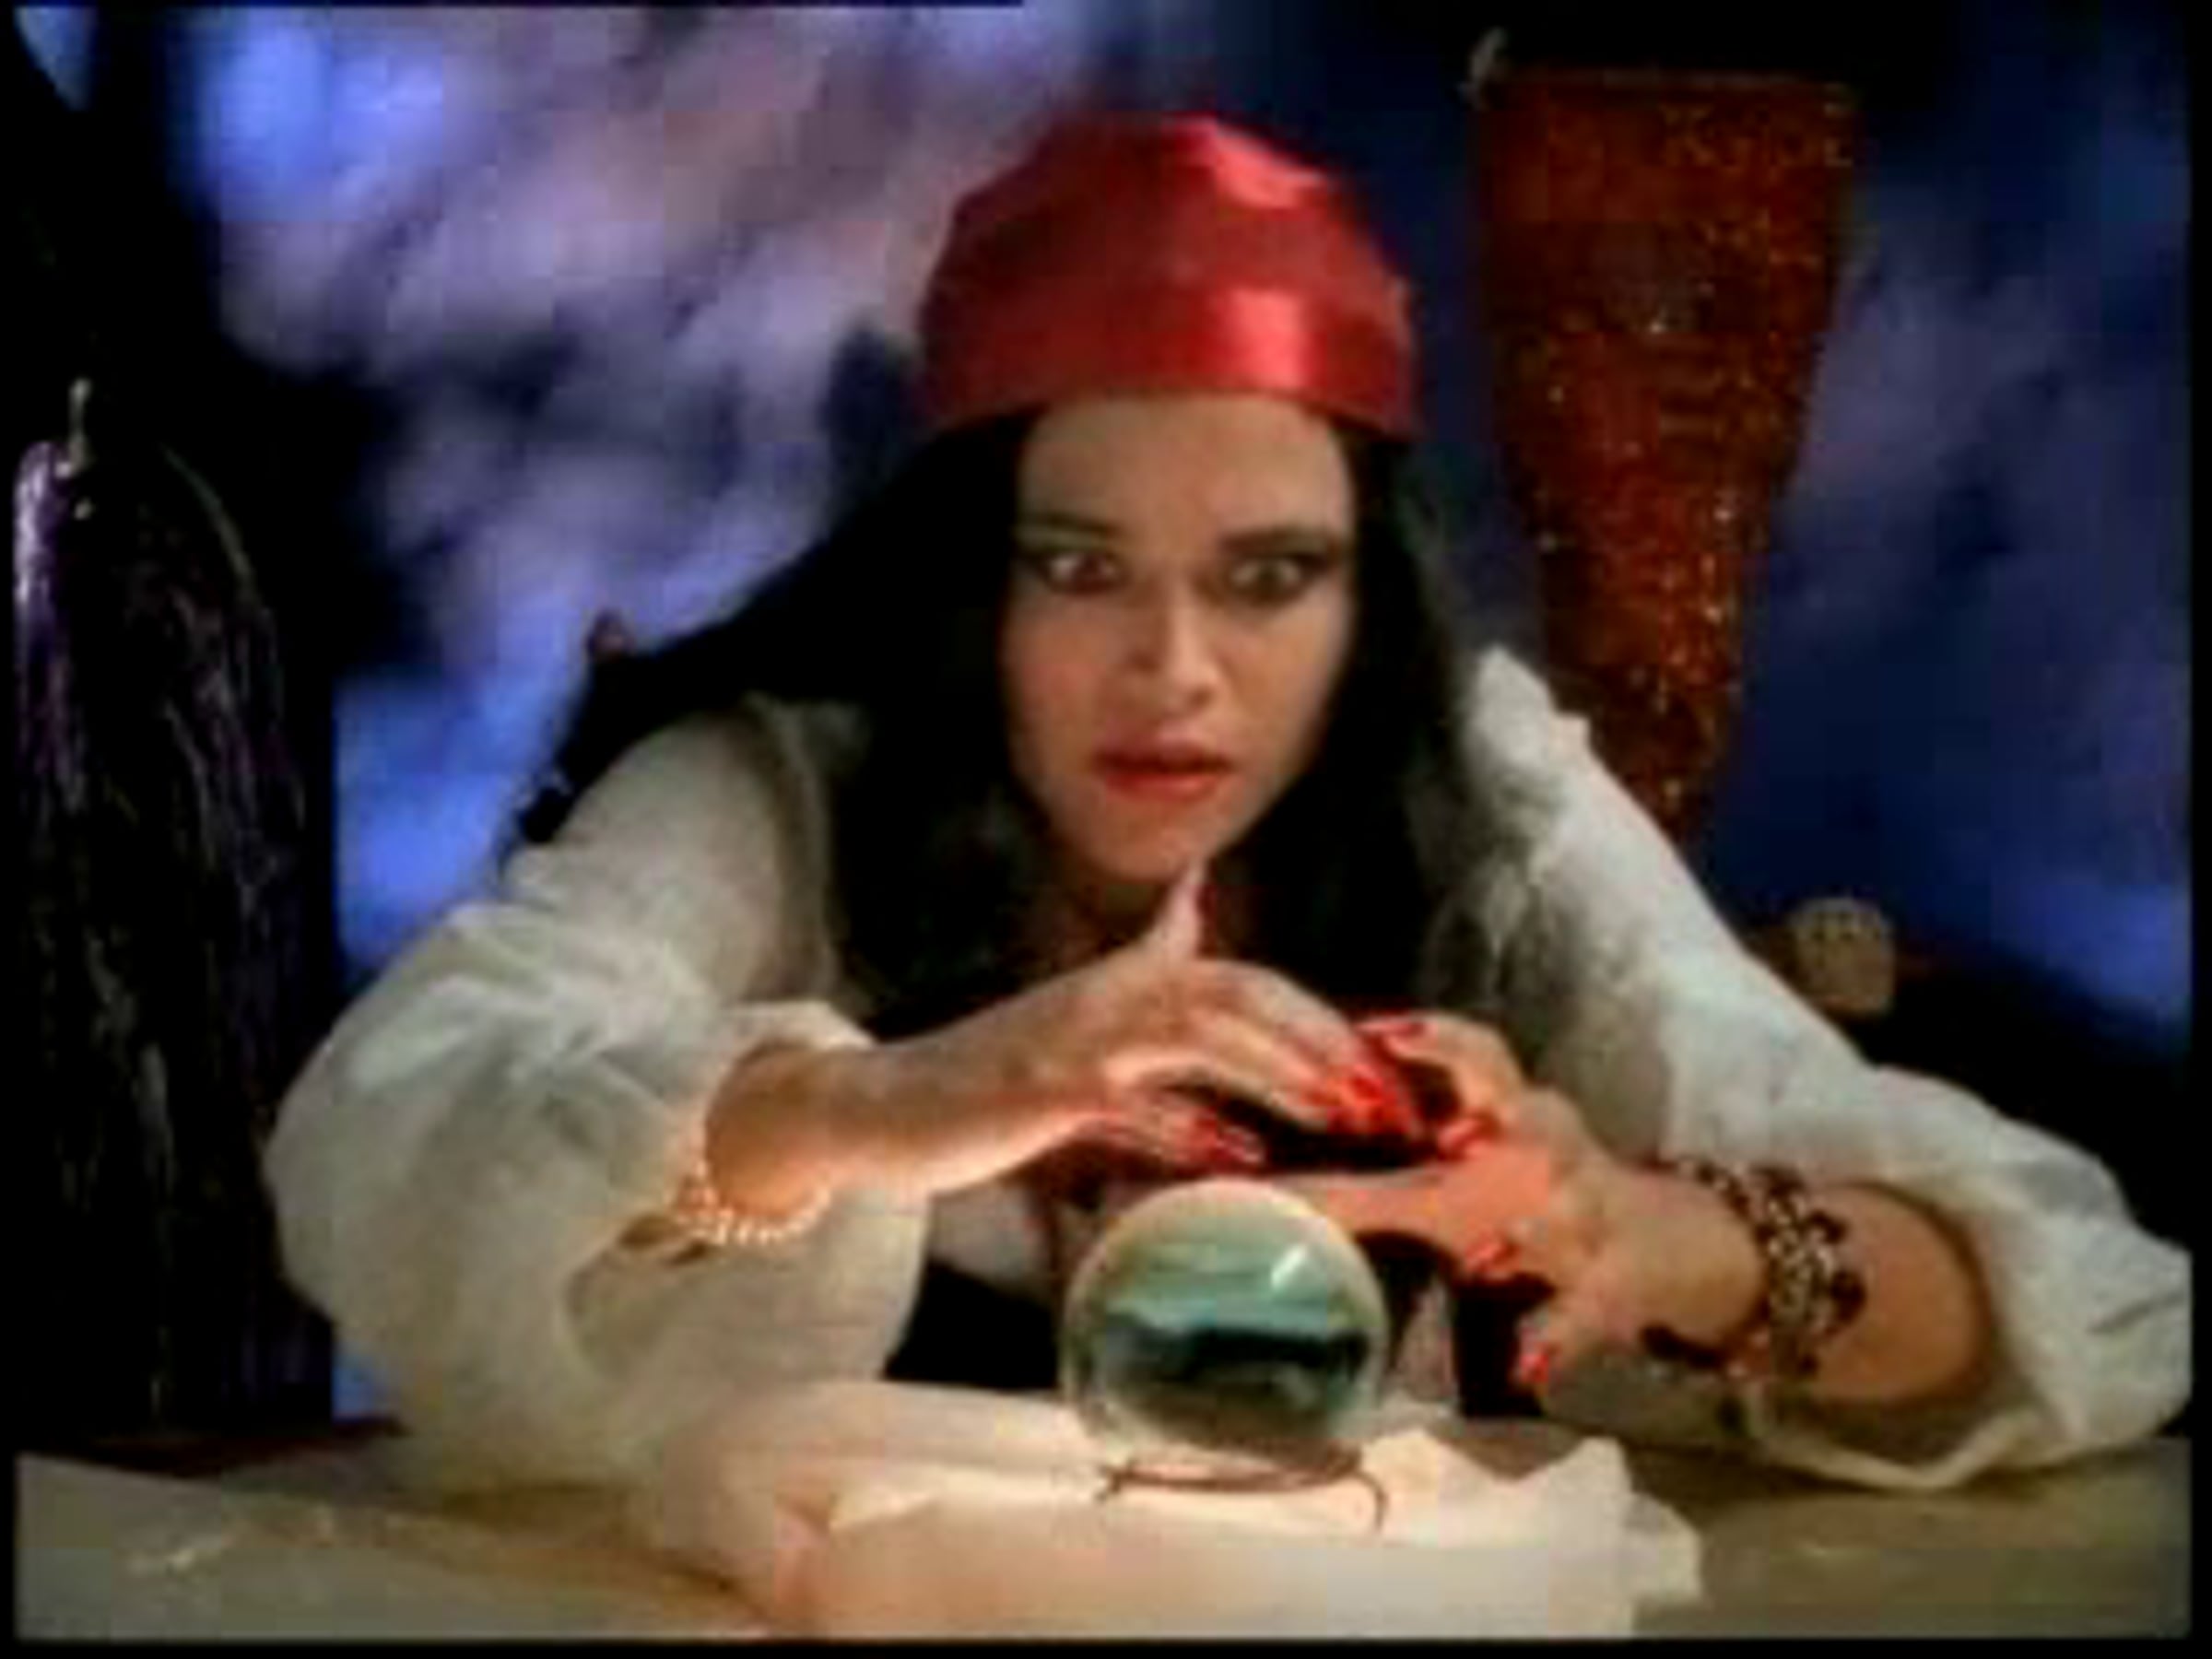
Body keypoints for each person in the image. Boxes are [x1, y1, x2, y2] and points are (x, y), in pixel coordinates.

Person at [265, 112, 2188, 1496]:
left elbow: (2094, 1302)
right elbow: (398, 1126)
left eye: (1268, 577)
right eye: (1082, 569)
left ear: (1366, 603)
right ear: (970, 585)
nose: (1176, 668)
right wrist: (874, 1107)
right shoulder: (790, 781)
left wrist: (1657, 1236)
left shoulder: (1473, 785)